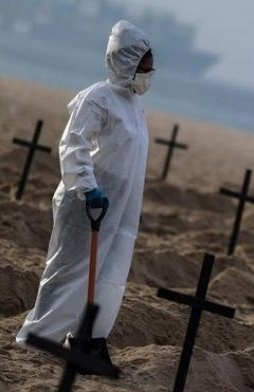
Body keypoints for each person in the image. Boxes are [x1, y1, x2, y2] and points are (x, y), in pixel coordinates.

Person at [16, 20, 154, 369]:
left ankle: (89, 338)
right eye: (144, 67)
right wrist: (88, 187)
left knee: (109, 278)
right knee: (70, 272)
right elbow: (73, 144)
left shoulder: (135, 107)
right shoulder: (97, 98)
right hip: (88, 202)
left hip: (121, 207)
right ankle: (37, 339)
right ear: (126, 63)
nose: (148, 75)